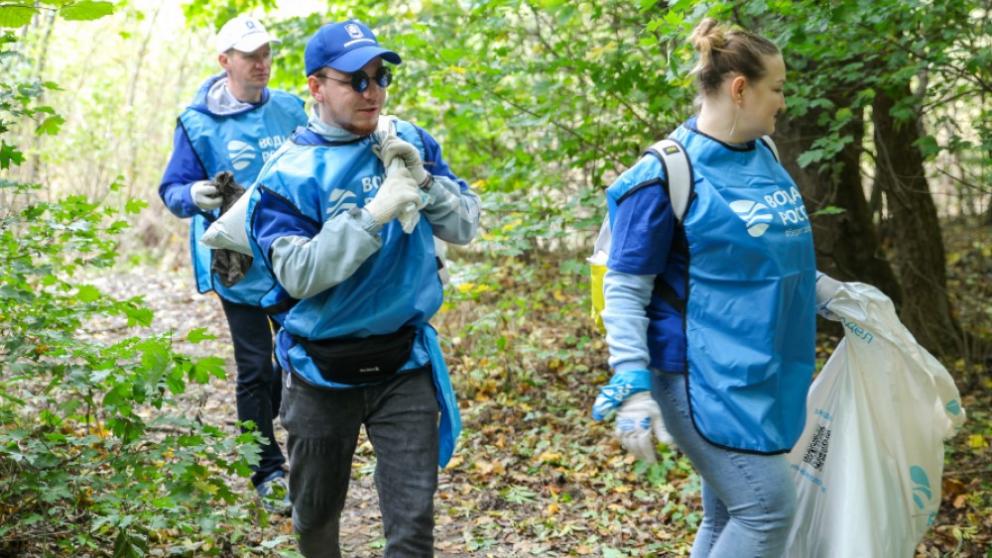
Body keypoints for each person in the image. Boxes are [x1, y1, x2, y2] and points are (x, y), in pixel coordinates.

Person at [591, 18, 839, 557]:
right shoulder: (666, 174)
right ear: (740, 88)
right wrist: (632, 383)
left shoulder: (765, 159)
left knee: (728, 513)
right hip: (697, 377)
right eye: (777, 88)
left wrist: (836, 297)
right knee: (768, 512)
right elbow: (625, 289)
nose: (783, 102)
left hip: (758, 368)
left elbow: (768, 263)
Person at [243, 19, 480, 557]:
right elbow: (297, 274)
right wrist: (372, 216)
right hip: (319, 370)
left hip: (405, 362)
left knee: (413, 525)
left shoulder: (408, 141)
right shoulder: (286, 175)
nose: (372, 92)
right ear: (316, 86)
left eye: (380, 78)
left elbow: (464, 225)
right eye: (356, 80)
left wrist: (423, 182)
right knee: (317, 520)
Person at [158, 15, 307, 515]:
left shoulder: (291, 108)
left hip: (294, 257)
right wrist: (193, 196)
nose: (262, 63)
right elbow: (172, 190)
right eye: (251, 56)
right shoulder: (196, 121)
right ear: (225, 62)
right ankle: (266, 470)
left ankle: (307, 451)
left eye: (266, 53)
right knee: (252, 367)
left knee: (299, 356)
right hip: (236, 265)